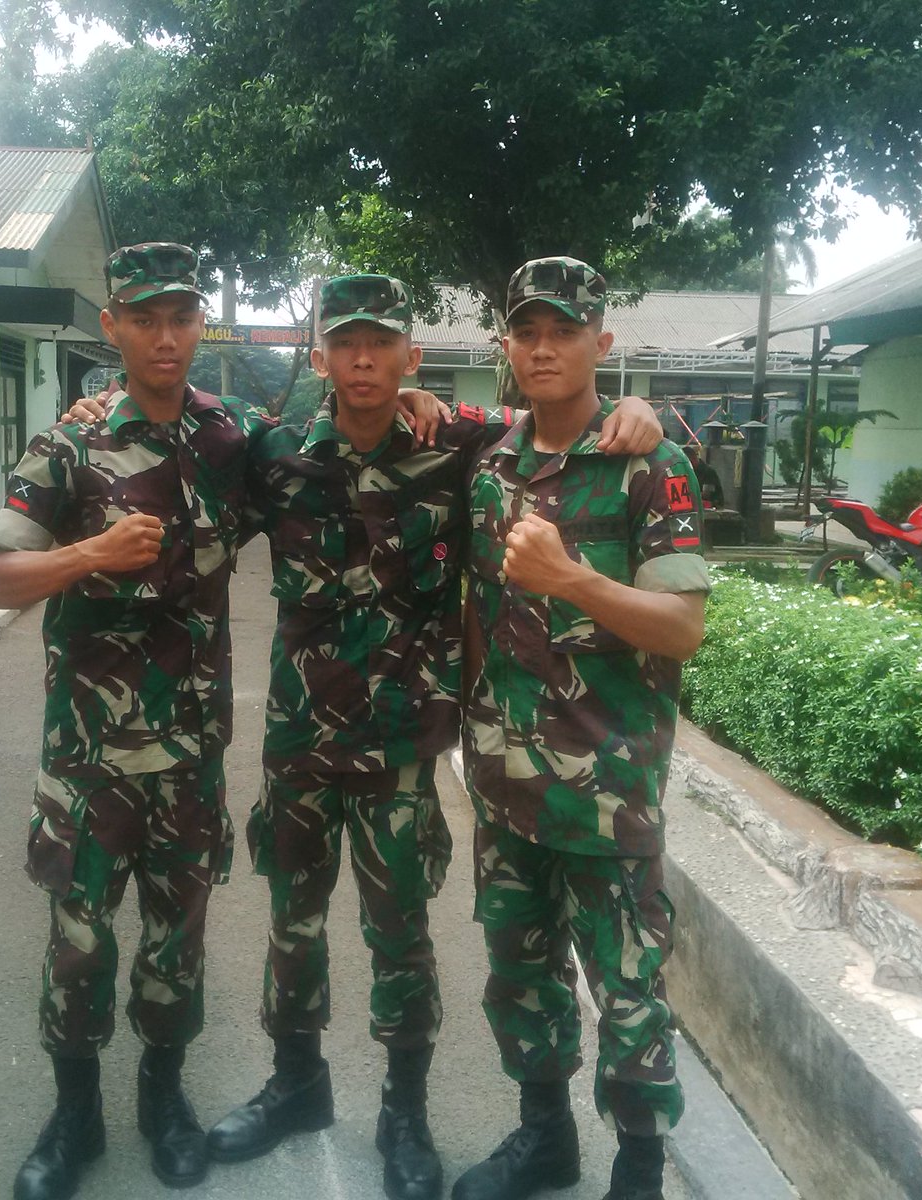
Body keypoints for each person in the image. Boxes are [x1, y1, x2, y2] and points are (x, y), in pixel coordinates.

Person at [63, 273, 663, 1200]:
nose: (364, 360)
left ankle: (404, 1115)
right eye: (345, 343)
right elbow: (178, 452)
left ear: (410, 356)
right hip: (299, 738)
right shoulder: (271, 454)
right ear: (320, 359)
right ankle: (296, 1084)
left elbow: (569, 434)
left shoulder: (458, 443)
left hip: (401, 742)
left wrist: (646, 410)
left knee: (400, 934)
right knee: (290, 924)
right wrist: (103, 408)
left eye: (382, 343)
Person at [0, 242, 272, 1200]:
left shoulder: (231, 439)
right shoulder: (67, 445)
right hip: (89, 760)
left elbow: (354, 443)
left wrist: (446, 405)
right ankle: (74, 1117)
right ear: (113, 328)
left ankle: (163, 1098)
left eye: (181, 317)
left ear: (200, 325)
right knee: (79, 940)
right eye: (144, 318)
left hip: (189, 757)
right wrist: (90, 554)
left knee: (175, 942)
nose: (165, 337)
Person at [454, 257, 711, 1200]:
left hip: (607, 792)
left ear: (602, 343)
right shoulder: (491, 467)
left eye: (564, 330)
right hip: (506, 780)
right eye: (527, 331)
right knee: (520, 972)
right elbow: (482, 610)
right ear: (508, 348)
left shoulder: (651, 464)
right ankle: (545, 1139)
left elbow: (682, 628)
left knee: (629, 988)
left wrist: (576, 583)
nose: (544, 347)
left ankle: (638, 1172)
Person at [684, 442, 725, 508]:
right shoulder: (688, 472)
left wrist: (688, 498)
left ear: (693, 458)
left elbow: (707, 494)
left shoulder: (708, 472)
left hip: (712, 505)